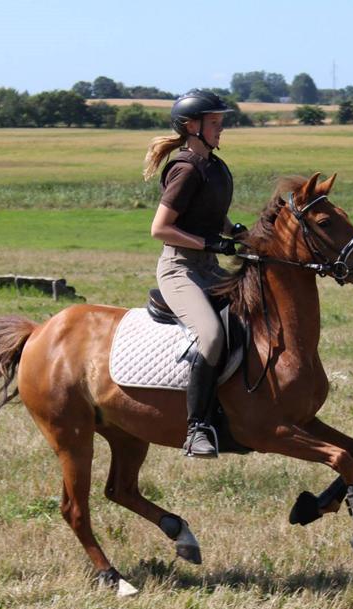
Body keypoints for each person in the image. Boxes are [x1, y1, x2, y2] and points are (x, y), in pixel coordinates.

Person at [143, 90, 245, 459]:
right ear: (192, 127)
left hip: (209, 267)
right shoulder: (185, 169)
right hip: (180, 269)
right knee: (213, 336)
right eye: (215, 123)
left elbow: (213, 214)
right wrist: (210, 244)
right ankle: (197, 428)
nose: (221, 130)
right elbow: (161, 228)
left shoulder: (214, 167)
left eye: (221, 123)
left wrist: (236, 233)